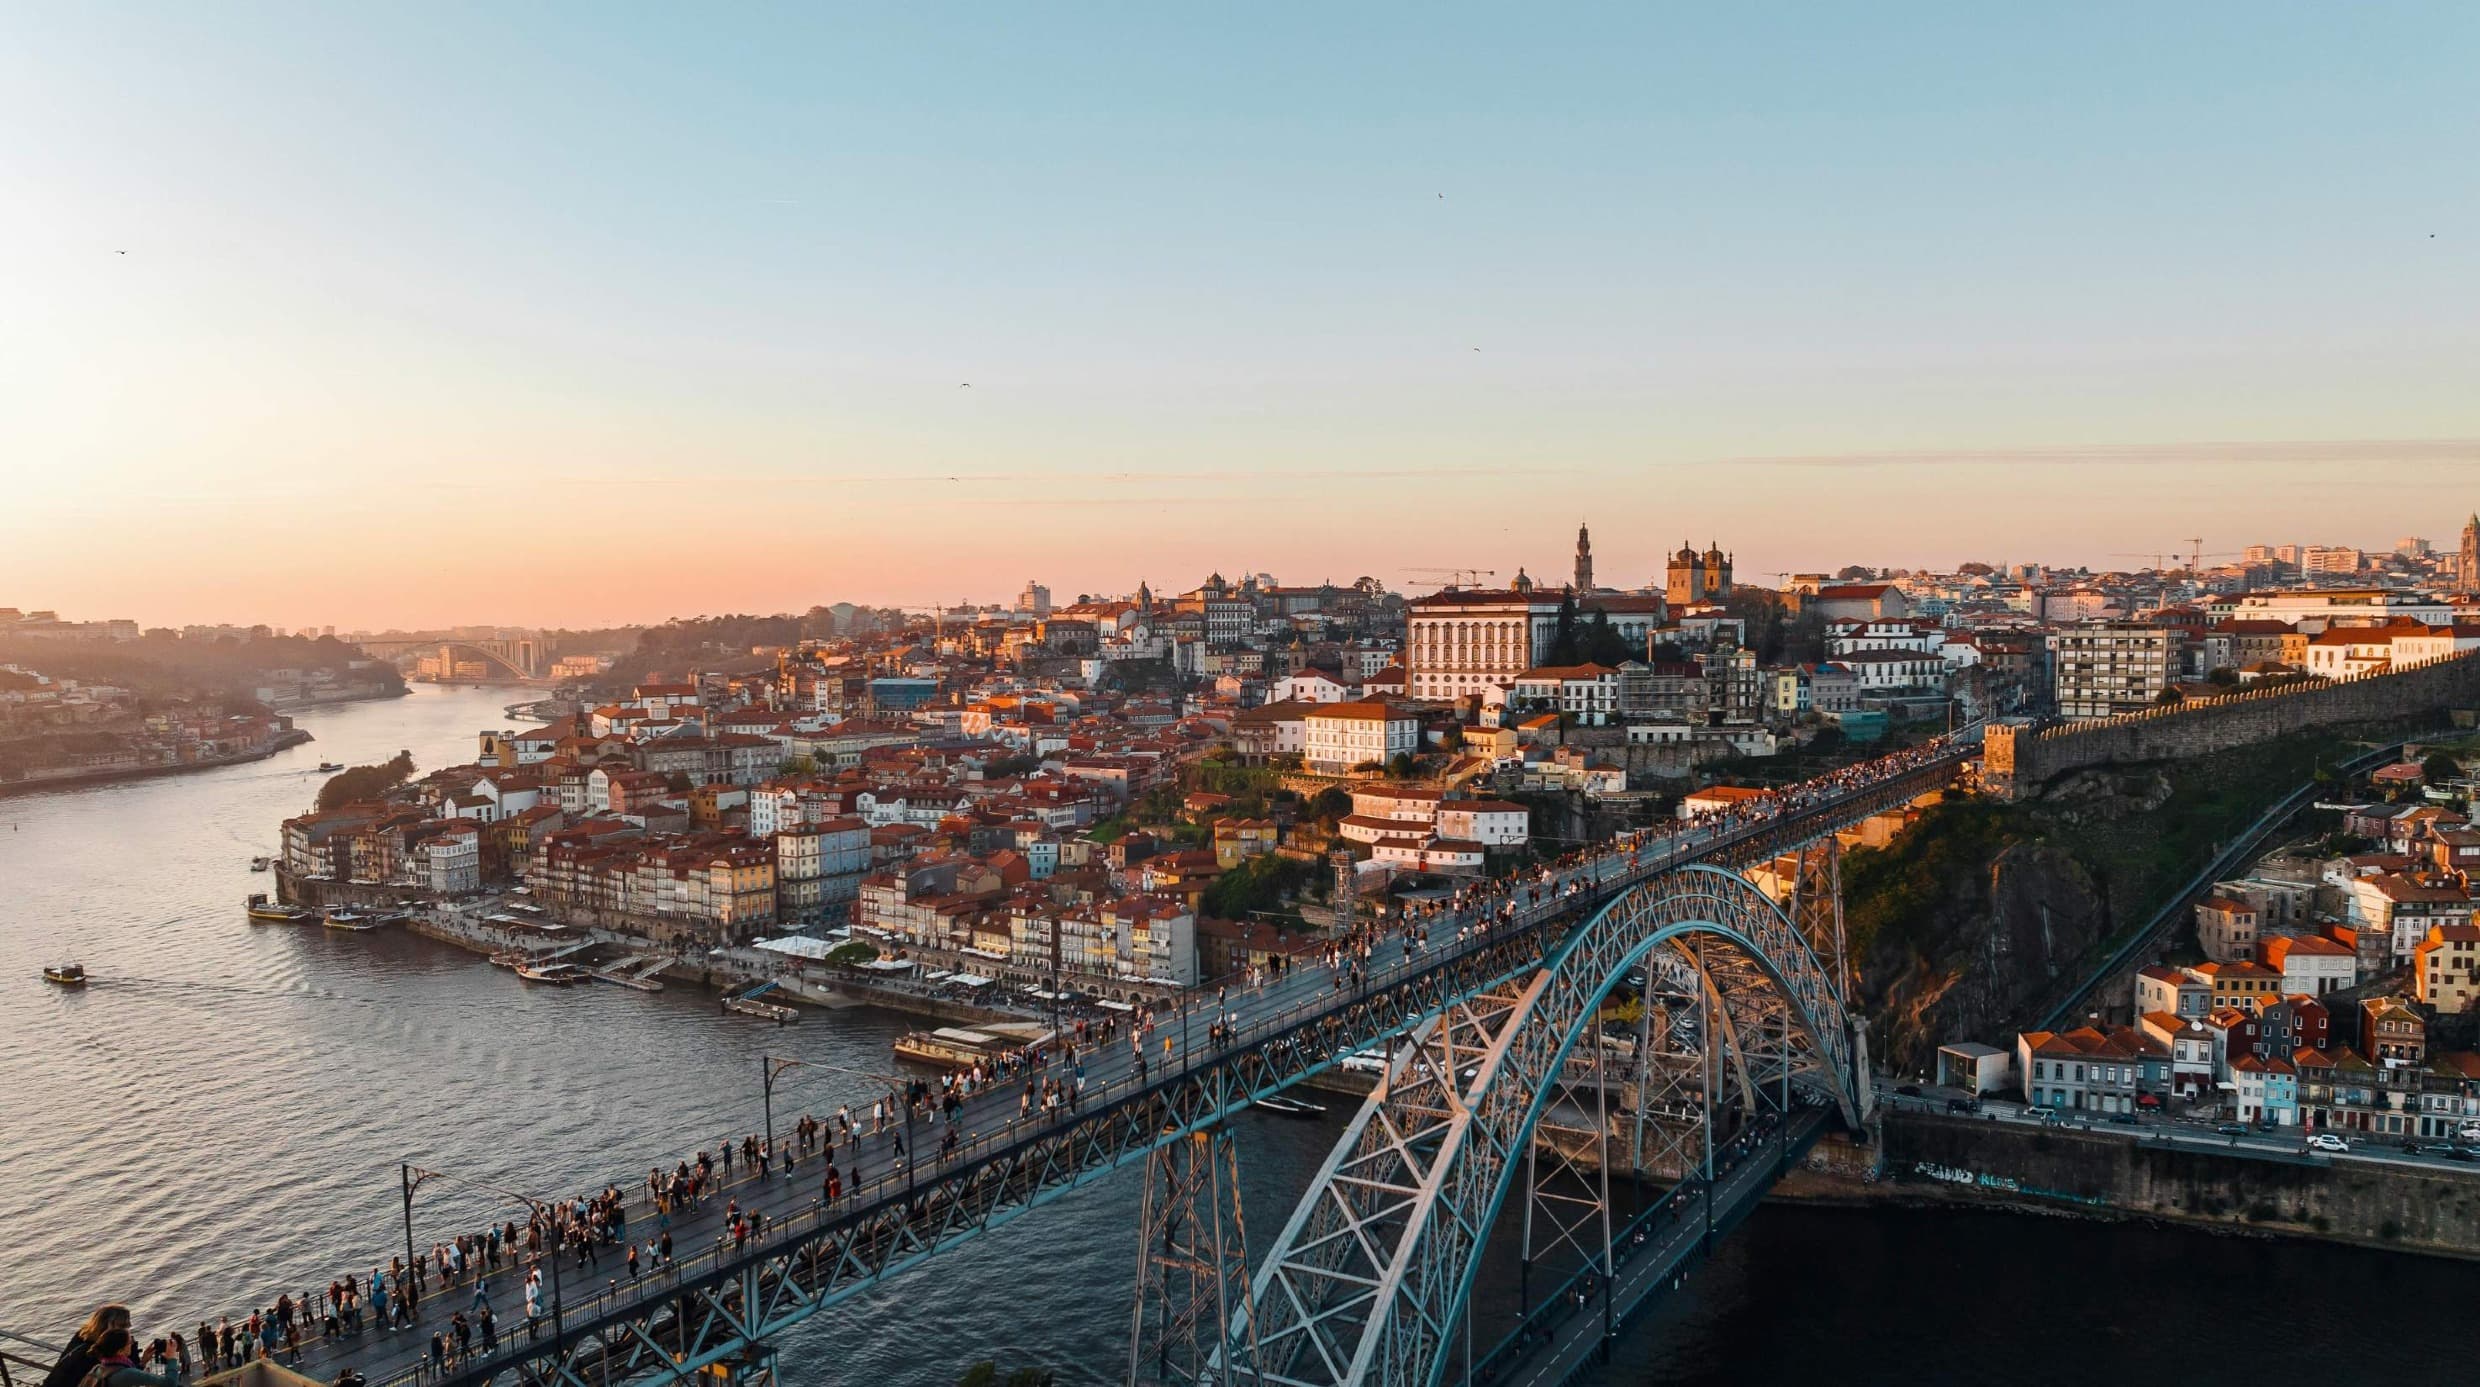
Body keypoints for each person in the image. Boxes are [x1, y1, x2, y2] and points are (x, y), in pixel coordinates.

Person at [42, 1305, 130, 1387]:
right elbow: (130, 1370)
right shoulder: (95, 1351)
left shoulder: (81, 1337)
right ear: (105, 1325)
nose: (127, 1329)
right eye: (123, 1326)